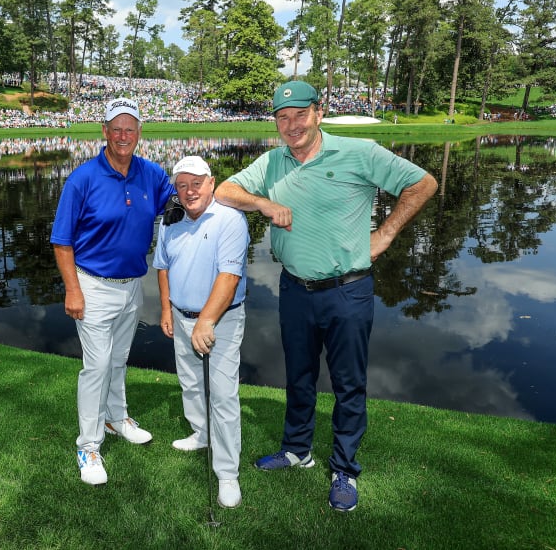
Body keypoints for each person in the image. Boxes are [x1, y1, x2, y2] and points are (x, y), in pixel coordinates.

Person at [214, 81, 438, 512]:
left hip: (347, 290)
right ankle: (298, 449)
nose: (291, 125)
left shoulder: (360, 152)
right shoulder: (273, 161)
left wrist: (387, 232)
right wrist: (262, 203)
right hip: (295, 288)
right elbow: (225, 191)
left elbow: (422, 183)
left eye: (300, 114)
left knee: (348, 384)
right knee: (298, 376)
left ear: (319, 113)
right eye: (282, 117)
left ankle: (344, 469)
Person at [51, 97, 176, 486]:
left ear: (140, 133)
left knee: (119, 359)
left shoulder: (151, 174)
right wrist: (73, 290)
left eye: (131, 129)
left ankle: (117, 417)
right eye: (116, 128)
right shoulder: (83, 178)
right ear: (104, 132)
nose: (123, 136)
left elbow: (176, 200)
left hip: (131, 286)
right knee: (97, 366)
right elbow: (61, 242)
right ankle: (88, 445)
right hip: (92, 286)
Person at [153, 155, 249, 508]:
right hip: (181, 315)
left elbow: (230, 276)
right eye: (182, 184)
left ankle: (227, 473)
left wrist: (206, 321)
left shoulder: (231, 219)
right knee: (191, 380)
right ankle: (201, 433)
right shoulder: (171, 219)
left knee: (222, 395)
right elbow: (162, 266)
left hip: (221, 319)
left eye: (197, 183)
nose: (190, 191)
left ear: (211, 183)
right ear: (176, 189)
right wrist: (165, 307)